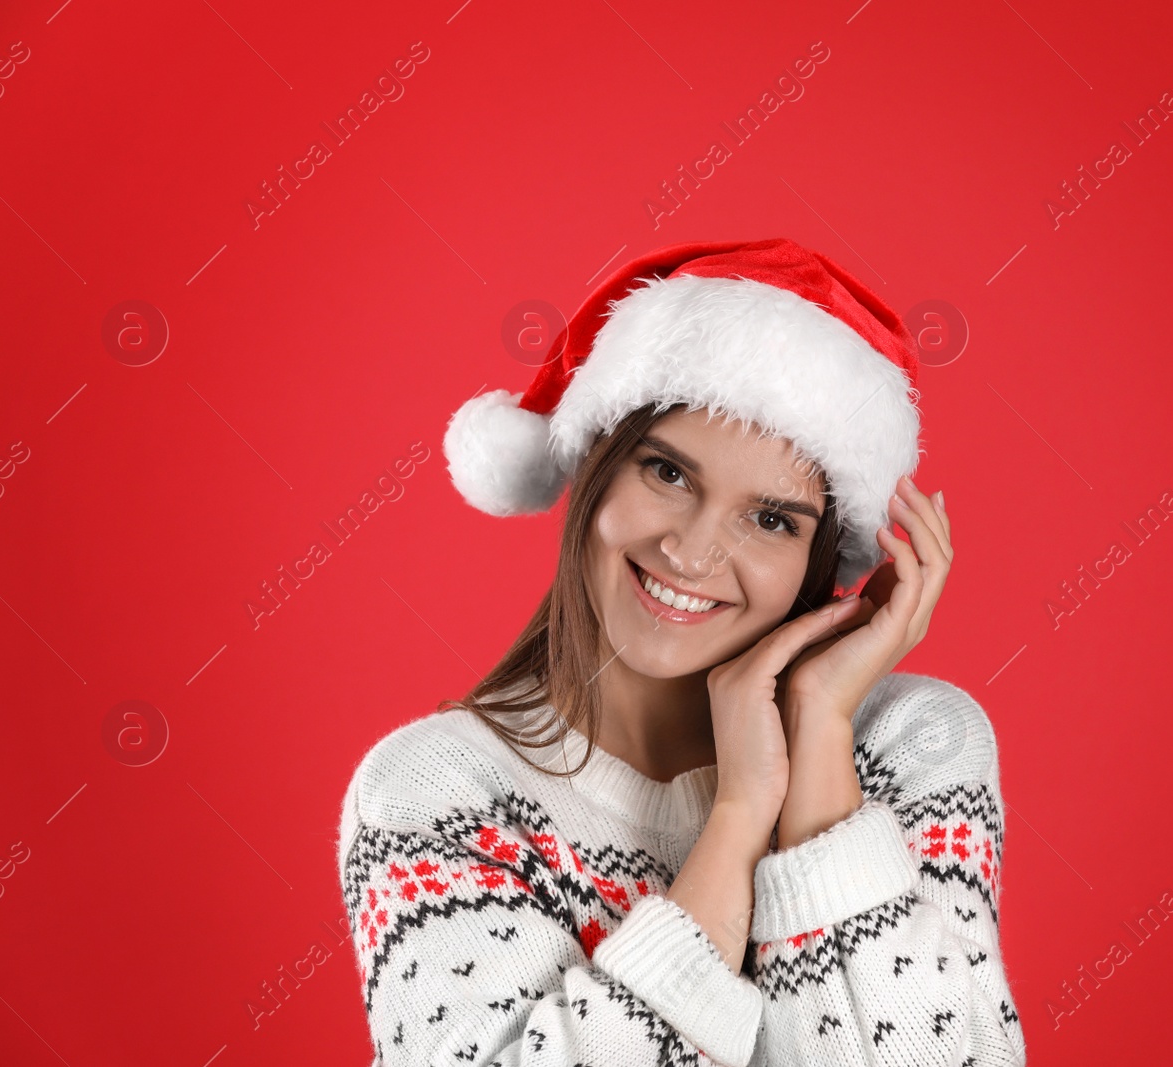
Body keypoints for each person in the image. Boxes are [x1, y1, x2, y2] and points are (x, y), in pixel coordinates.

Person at [334, 238, 1027, 1066]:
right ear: (594, 462)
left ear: (821, 559)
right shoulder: (435, 792)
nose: (693, 554)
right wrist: (738, 816)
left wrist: (817, 749)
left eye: (772, 519)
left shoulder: (912, 746)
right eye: (667, 473)